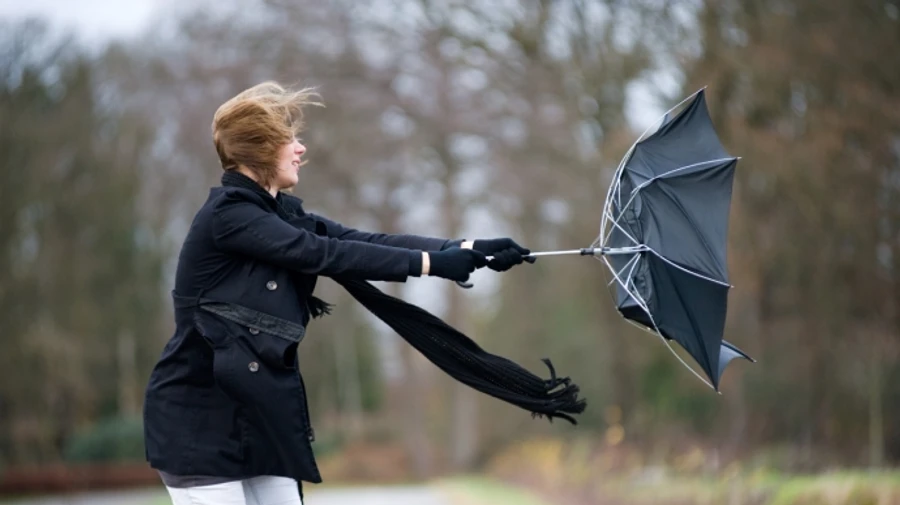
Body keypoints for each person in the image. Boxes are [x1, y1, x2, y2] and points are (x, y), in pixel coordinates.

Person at [142, 81, 533, 505]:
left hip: (259, 419)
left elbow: (360, 238)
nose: (300, 149)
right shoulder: (229, 216)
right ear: (259, 148)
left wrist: (464, 248)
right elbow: (322, 253)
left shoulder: (280, 213)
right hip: (199, 422)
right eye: (288, 139)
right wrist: (431, 265)